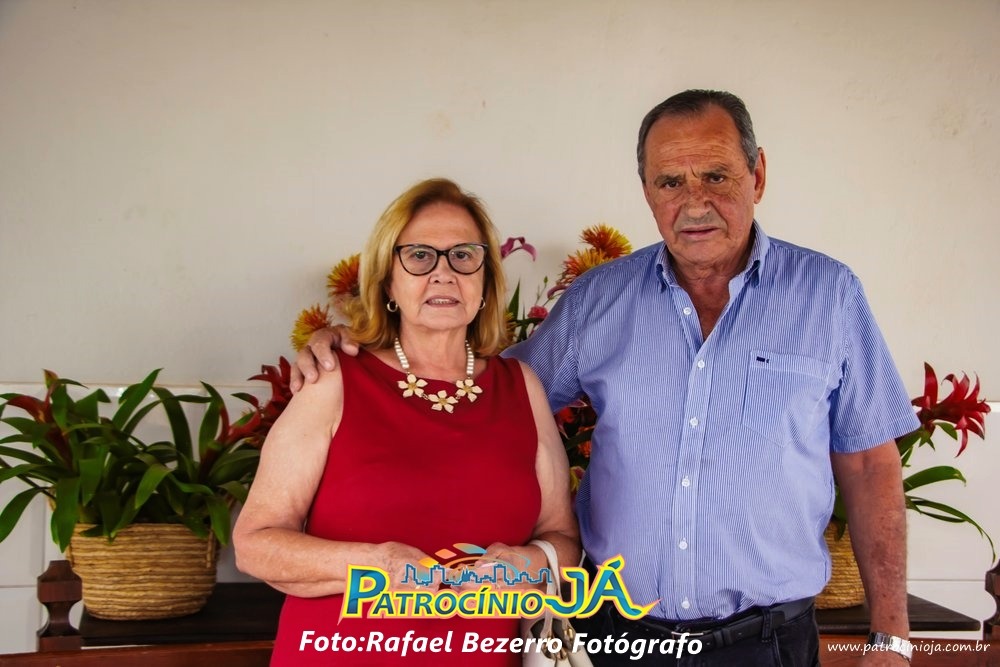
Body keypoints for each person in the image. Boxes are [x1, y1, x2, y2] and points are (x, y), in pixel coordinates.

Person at [294, 91, 918, 666]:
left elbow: (870, 466)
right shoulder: (600, 299)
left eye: (716, 176)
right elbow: (483, 394)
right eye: (669, 181)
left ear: (757, 175)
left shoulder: (829, 295)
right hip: (616, 639)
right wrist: (365, 346)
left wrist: (890, 638)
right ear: (646, 191)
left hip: (767, 644)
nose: (694, 202)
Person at [234, 178, 580, 667]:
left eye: (463, 256)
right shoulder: (334, 379)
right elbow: (254, 544)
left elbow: (563, 538)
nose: (444, 274)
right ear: (387, 281)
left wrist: (532, 561)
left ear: (485, 281)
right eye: (419, 256)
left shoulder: (521, 386)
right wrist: (374, 563)